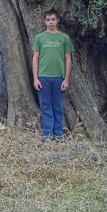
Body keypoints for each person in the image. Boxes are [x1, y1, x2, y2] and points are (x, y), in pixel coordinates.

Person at [32, 9, 74, 142]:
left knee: (58, 106)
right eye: (48, 20)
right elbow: (35, 58)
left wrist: (66, 79)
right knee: (45, 106)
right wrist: (35, 78)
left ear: (57, 21)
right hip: (43, 77)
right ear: (44, 21)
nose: (50, 22)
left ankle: (58, 133)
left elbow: (68, 58)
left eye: (53, 19)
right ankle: (47, 134)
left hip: (59, 78)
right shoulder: (39, 37)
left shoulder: (64, 38)